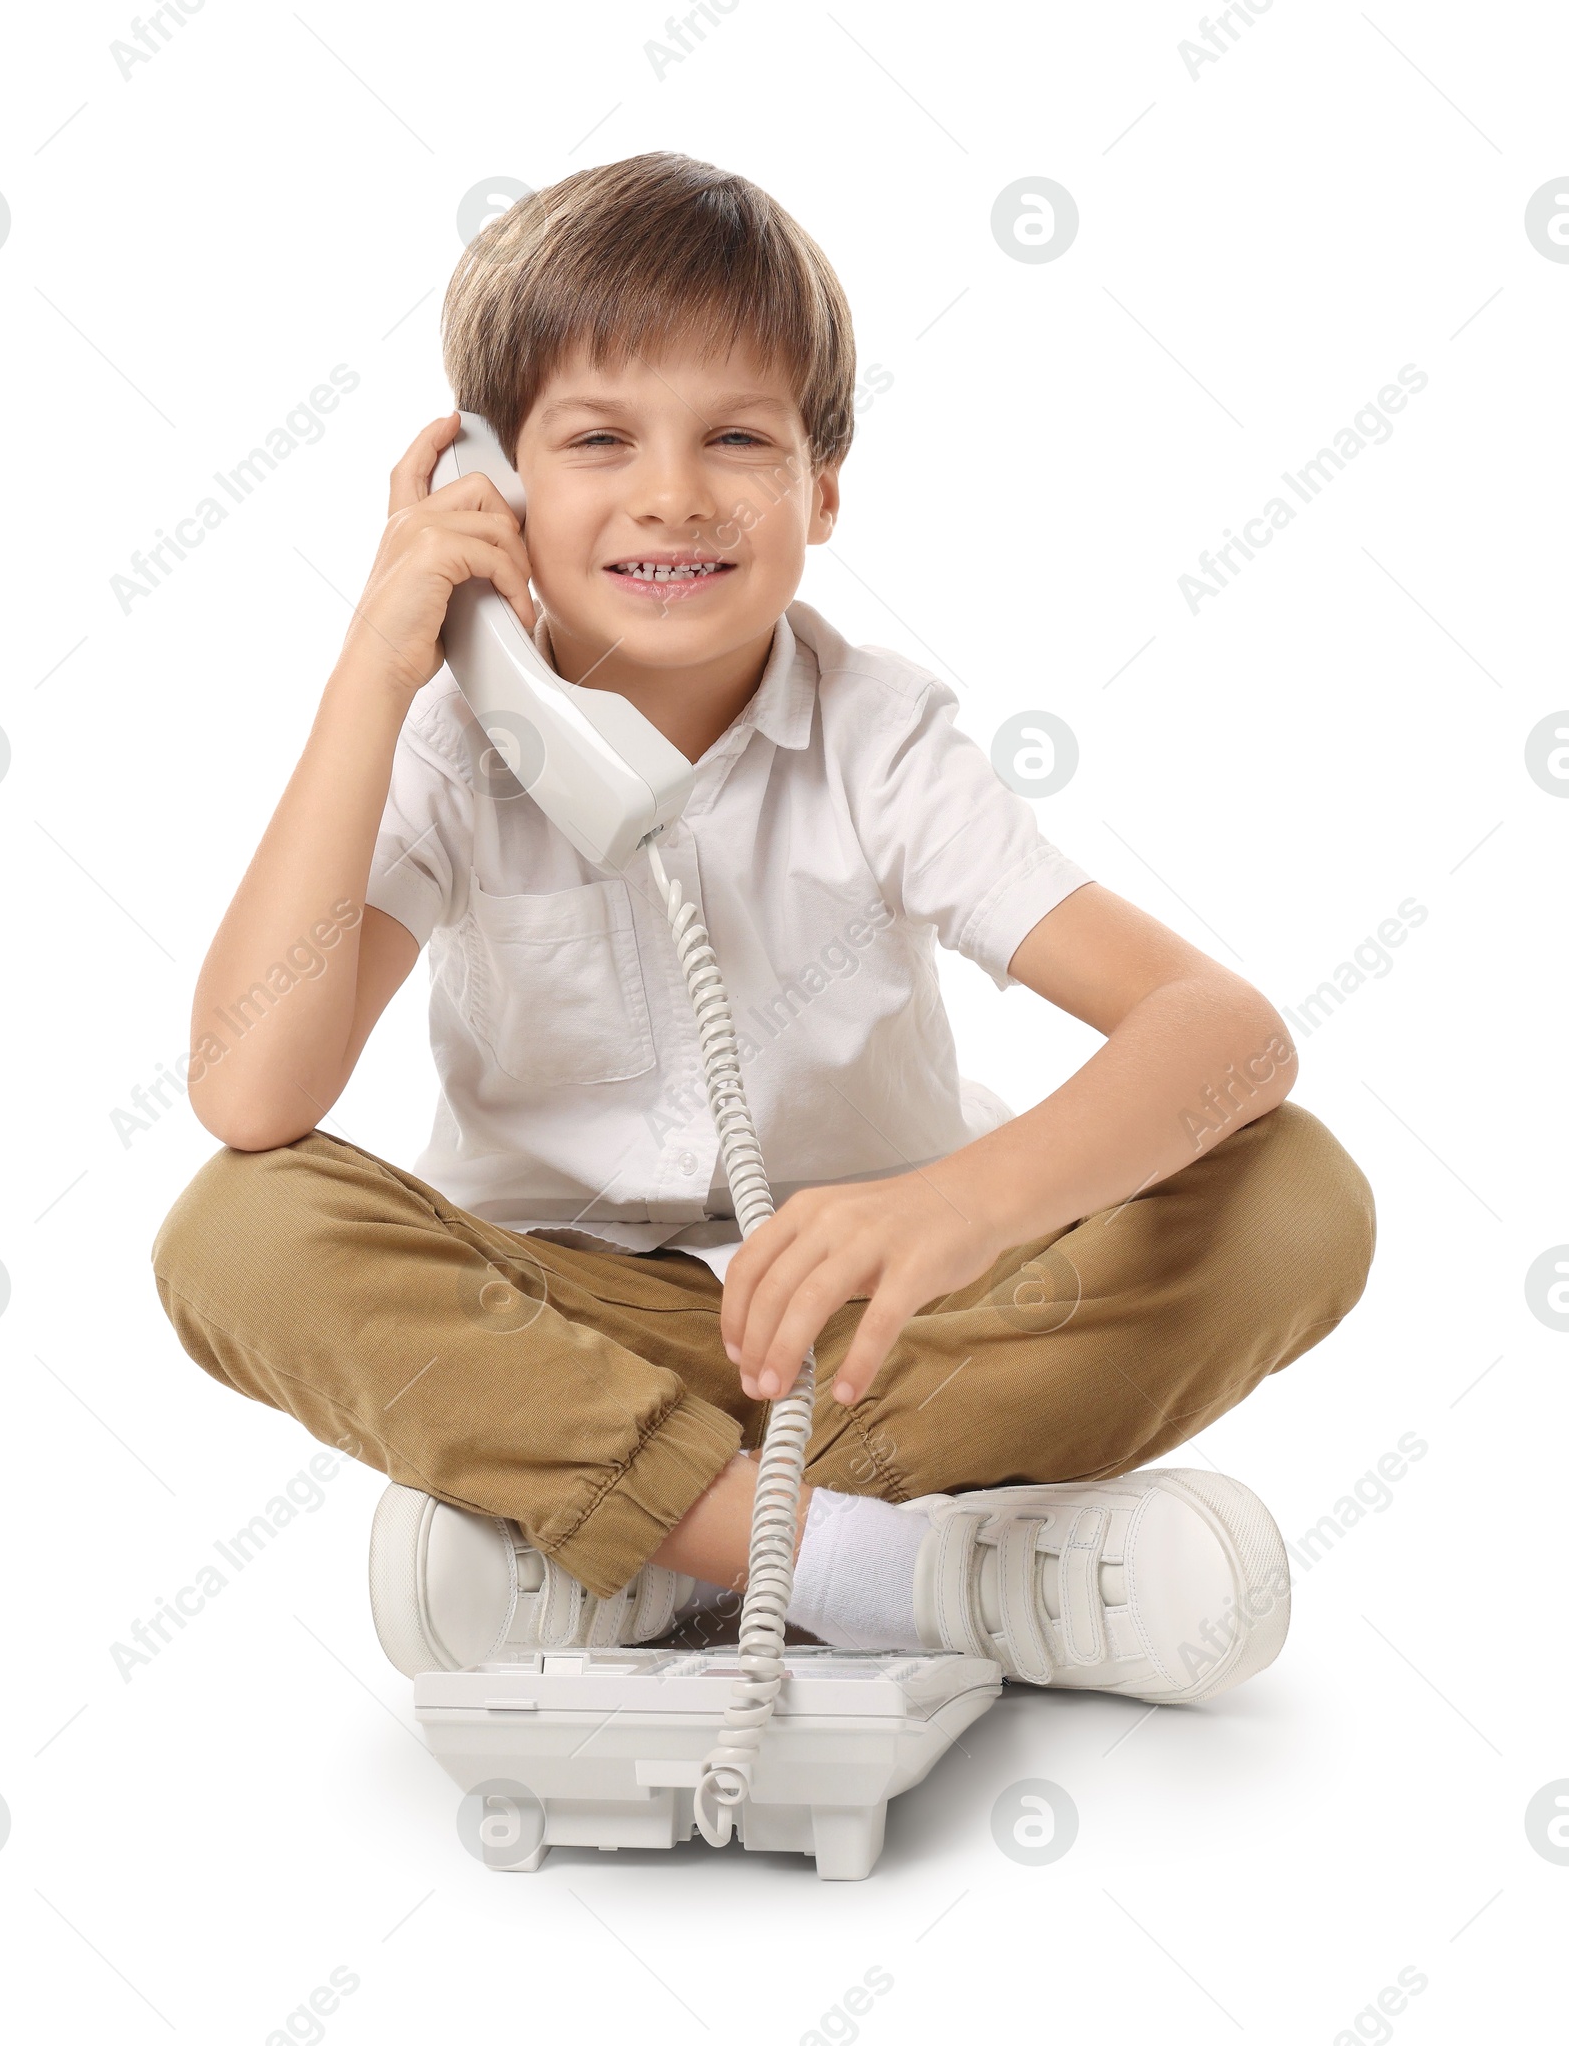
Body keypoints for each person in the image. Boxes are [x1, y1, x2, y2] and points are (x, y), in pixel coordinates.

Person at [151, 151, 1374, 1702]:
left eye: (736, 437)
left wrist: (957, 1212)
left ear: (821, 490)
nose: (671, 492)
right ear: (492, 489)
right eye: (599, 439)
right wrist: (371, 682)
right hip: (564, 1315)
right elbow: (253, 1095)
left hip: (881, 1334)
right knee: (237, 1226)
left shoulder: (876, 738)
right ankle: (900, 1570)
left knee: (1294, 1188)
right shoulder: (449, 749)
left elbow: (1223, 1034)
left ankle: (646, 1535)